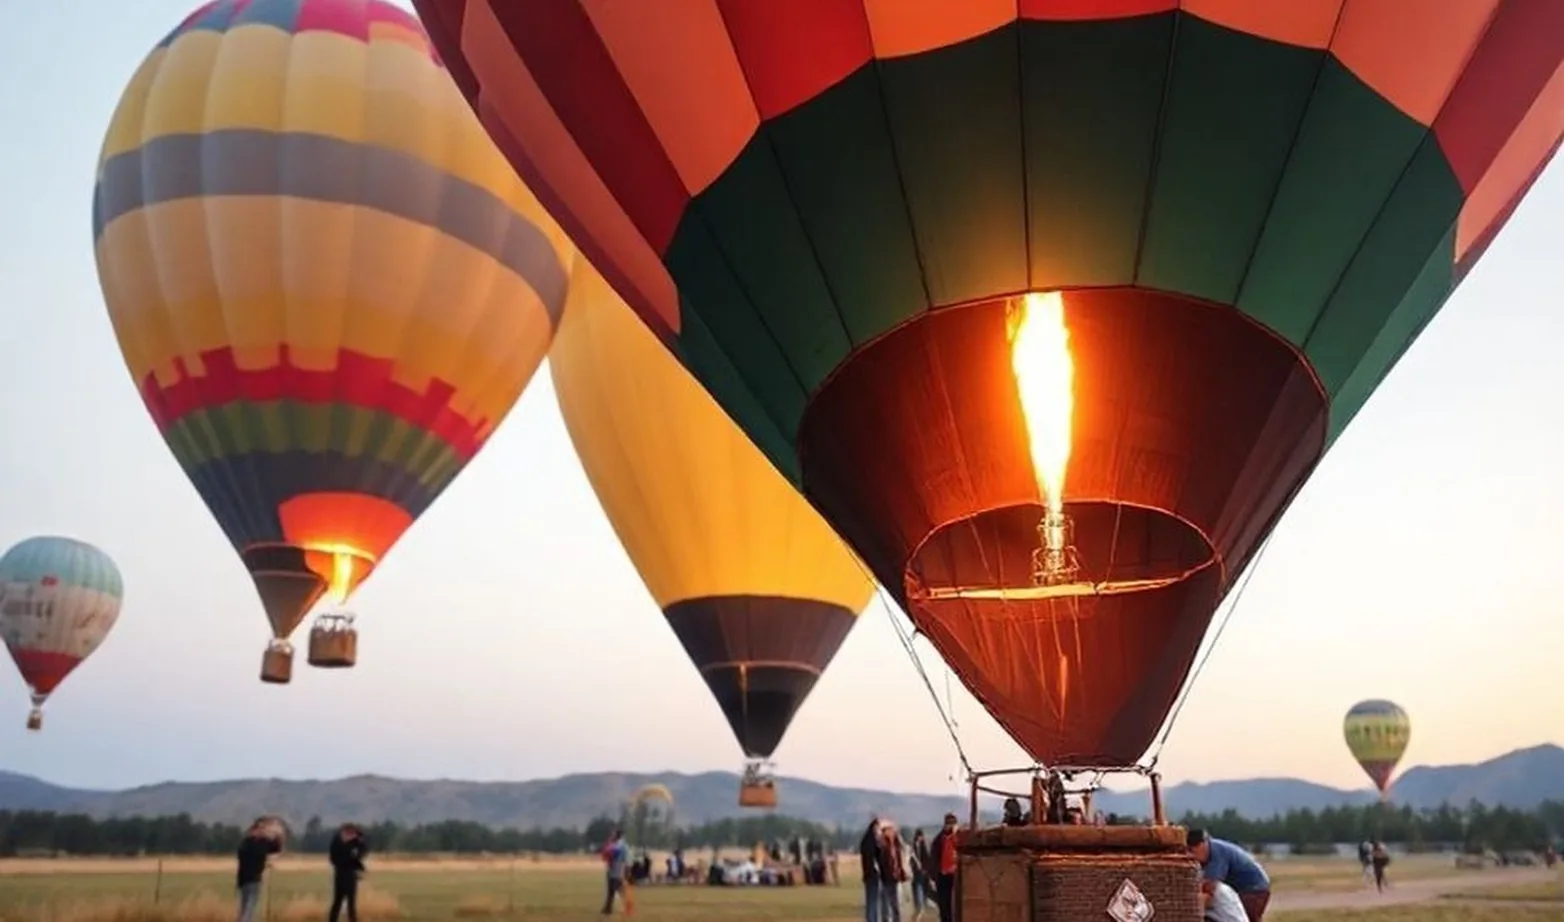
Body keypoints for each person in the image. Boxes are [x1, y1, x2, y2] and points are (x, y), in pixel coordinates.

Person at [1187, 829, 1270, 922]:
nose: (1191, 856)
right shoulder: (1211, 850)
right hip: (1245, 888)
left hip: (1254, 888)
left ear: (1202, 844)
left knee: (1245, 918)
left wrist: (1192, 909)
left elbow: (1210, 889)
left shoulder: (1216, 855)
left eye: (1192, 851)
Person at [235, 820, 281, 922]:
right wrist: (275, 834)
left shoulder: (245, 843)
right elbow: (275, 847)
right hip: (253, 879)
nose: (262, 832)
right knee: (250, 906)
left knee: (244, 906)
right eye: (260, 829)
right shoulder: (259, 844)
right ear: (255, 830)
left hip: (242, 879)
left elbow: (275, 847)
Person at [328, 823, 368, 922]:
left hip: (347, 874)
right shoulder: (338, 842)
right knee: (340, 902)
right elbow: (334, 859)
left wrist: (357, 858)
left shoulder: (354, 842)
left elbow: (363, 849)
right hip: (343, 875)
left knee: (348, 903)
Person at [928, 813, 959, 922]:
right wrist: (933, 875)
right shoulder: (939, 840)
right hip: (942, 875)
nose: (950, 826)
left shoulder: (958, 839)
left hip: (955, 875)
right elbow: (933, 857)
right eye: (948, 823)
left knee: (954, 904)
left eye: (952, 823)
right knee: (943, 903)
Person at [877, 822, 906, 922]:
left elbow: (901, 857)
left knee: (896, 905)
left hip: (895, 877)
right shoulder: (882, 844)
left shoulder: (896, 844)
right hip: (885, 878)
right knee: (886, 907)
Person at [599, 828, 630, 915]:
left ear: (617, 835)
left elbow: (614, 853)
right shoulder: (614, 843)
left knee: (618, 889)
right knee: (610, 890)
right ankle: (608, 908)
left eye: (613, 834)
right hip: (612, 868)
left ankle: (626, 906)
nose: (611, 835)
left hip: (617, 869)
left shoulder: (621, 845)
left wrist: (607, 851)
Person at [859, 818, 884, 922]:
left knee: (869, 902)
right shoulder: (874, 841)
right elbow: (879, 856)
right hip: (874, 875)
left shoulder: (864, 841)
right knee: (875, 902)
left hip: (867, 875)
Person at [909, 828, 931, 921]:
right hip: (920, 877)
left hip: (920, 877)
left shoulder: (917, 846)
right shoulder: (922, 845)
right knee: (920, 906)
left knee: (920, 906)